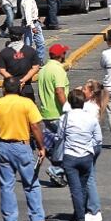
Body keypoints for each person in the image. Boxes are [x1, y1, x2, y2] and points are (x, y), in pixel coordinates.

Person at [0, 77, 50, 221]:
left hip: (3, 147)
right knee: (31, 184)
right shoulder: (27, 103)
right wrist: (42, 146)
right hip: (22, 146)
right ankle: (37, 219)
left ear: (4, 90)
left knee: (6, 185)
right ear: (20, 89)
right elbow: (35, 126)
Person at [58, 89, 103, 221]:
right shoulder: (91, 118)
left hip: (70, 156)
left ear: (70, 102)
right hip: (86, 156)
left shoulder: (65, 118)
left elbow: (59, 136)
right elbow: (98, 139)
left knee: (75, 189)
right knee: (82, 188)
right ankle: (77, 215)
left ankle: (80, 219)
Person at [39, 43, 70, 184]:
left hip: (46, 113)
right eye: (64, 53)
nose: (65, 55)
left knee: (57, 143)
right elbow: (59, 91)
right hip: (58, 113)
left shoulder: (44, 69)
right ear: (60, 55)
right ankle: (56, 169)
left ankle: (58, 174)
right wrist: (68, 108)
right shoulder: (58, 70)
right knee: (67, 144)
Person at [0, 25, 39, 101]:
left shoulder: (4, 52)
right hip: (26, 86)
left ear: (10, 36)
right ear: (22, 36)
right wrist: (23, 80)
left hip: (10, 88)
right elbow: (35, 68)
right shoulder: (30, 50)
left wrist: (14, 81)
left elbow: (2, 70)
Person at [20, 0, 46, 65]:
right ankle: (29, 62)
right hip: (30, 24)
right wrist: (32, 26)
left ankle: (39, 60)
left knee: (39, 42)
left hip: (34, 22)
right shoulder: (27, 0)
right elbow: (28, 14)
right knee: (28, 44)